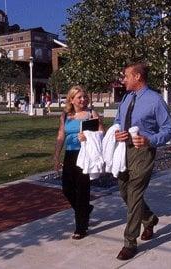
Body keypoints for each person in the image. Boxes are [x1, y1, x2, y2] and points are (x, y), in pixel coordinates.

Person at [113, 63, 171, 260]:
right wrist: (117, 132)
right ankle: (149, 219)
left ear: (137, 77)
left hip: (143, 151)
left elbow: (169, 130)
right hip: (123, 150)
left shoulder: (155, 100)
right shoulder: (126, 98)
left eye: (126, 76)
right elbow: (117, 120)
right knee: (124, 190)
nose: (124, 80)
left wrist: (150, 140)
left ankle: (130, 242)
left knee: (134, 193)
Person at [54, 85, 104, 240]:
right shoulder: (65, 115)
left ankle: (81, 227)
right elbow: (61, 135)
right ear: (71, 99)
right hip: (70, 155)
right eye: (80, 97)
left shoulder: (91, 114)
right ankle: (85, 209)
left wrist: (88, 137)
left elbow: (102, 133)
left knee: (82, 191)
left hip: (85, 155)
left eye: (85, 97)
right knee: (67, 189)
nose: (83, 100)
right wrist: (56, 156)